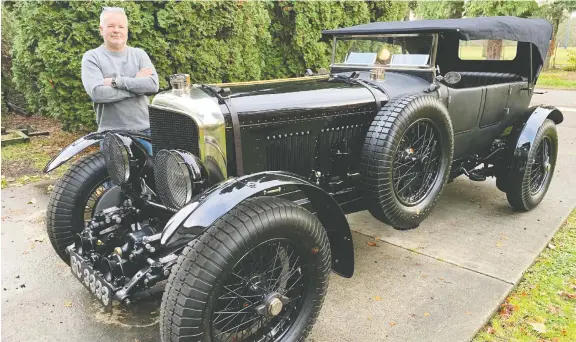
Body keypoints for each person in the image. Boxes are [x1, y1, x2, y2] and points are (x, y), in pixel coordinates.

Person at [81, 7, 159, 146]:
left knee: (154, 168)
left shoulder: (139, 54)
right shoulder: (92, 57)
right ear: (101, 29)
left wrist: (116, 82)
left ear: (126, 30)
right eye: (111, 26)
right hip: (111, 135)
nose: (117, 30)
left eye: (121, 26)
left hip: (146, 132)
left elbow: (152, 85)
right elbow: (98, 94)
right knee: (113, 169)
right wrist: (136, 83)